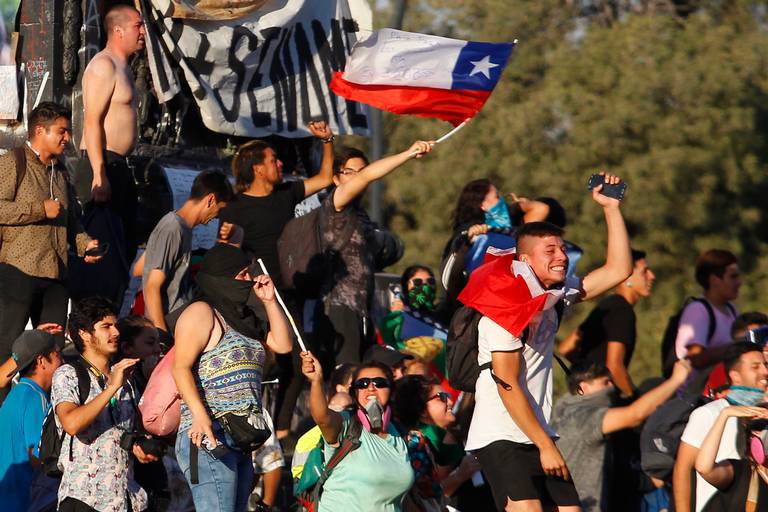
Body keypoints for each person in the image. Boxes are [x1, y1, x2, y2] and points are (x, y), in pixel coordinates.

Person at [462, 173, 632, 512]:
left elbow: (618, 271)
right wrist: (545, 445)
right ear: (525, 260)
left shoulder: (553, 296)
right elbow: (507, 384)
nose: (562, 256)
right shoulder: (503, 307)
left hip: (537, 431)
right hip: (502, 434)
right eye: (550, 250)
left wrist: (611, 208)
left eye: (563, 249)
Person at [219, 121, 334, 440]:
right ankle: (247, 426)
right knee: (262, 363)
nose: (280, 163)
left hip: (286, 296)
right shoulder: (235, 207)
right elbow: (225, 255)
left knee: (298, 366)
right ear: (257, 169)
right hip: (255, 298)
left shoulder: (286, 194)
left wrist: (327, 140)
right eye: (273, 160)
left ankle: (280, 435)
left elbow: (326, 178)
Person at [172, 243, 292, 512]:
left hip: (241, 436)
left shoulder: (244, 318)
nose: (249, 280)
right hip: (208, 433)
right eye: (242, 275)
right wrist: (200, 416)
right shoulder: (201, 312)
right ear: (222, 277)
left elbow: (283, 345)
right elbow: (180, 367)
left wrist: (270, 301)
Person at [0, 102, 100, 403]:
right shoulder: (13, 162)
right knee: (7, 349)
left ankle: (47, 415)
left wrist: (85, 245)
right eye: (62, 131)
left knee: (52, 351)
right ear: (40, 130)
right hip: (18, 270)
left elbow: (71, 221)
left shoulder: (61, 172)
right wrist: (38, 210)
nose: (67, 138)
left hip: (56, 275)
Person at [316, 141, 433, 368]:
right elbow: (368, 177)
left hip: (363, 307)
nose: (358, 177)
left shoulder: (359, 214)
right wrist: (408, 153)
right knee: (347, 374)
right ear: (336, 179)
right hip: (340, 307)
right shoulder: (335, 205)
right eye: (350, 172)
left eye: (362, 171)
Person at [51, 297, 155, 512]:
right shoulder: (68, 374)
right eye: (106, 326)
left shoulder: (127, 380)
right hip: (85, 499)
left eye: (115, 325)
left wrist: (140, 447)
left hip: (128, 499)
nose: (116, 332)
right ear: (84, 334)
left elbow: (134, 431)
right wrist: (112, 387)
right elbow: (71, 423)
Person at [550, 359, 691, 512]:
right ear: (583, 388)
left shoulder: (563, 410)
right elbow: (634, 415)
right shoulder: (581, 417)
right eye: (605, 382)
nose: (612, 387)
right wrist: (676, 380)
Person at [300, 352, 414, 511]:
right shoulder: (346, 424)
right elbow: (322, 417)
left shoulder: (399, 434)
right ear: (354, 393)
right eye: (362, 384)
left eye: (379, 383)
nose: (371, 388)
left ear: (391, 390)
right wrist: (316, 380)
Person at [79, 4, 145, 263]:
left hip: (118, 165)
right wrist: (99, 173)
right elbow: (91, 121)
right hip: (102, 163)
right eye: (137, 26)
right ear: (118, 30)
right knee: (100, 249)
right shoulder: (104, 64)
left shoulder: (123, 66)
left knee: (123, 247)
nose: (143, 32)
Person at [673, 342, 768, 512]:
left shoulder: (764, 414)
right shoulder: (710, 413)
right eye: (755, 367)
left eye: (765, 365)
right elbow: (683, 469)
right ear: (735, 376)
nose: (765, 371)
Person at [140, 169, 235, 333]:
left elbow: (141, 268)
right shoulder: (172, 228)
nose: (217, 216)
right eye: (219, 210)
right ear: (210, 200)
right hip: (169, 321)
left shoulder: (183, 228)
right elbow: (151, 286)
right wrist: (161, 335)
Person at [559, 249, 655, 397]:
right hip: (602, 398)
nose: (652, 276)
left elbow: (566, 348)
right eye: (645, 271)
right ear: (627, 276)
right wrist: (634, 398)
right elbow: (614, 366)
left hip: (585, 395)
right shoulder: (623, 310)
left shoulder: (608, 304)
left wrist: (588, 373)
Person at [393, 375, 482, 512]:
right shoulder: (415, 441)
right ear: (422, 410)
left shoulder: (440, 434)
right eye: (442, 397)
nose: (450, 401)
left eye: (448, 395)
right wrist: (460, 474)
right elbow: (430, 493)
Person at [0, 330, 62, 512]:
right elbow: (38, 456)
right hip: (25, 503)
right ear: (41, 360)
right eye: (58, 354)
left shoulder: (17, 394)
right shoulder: (35, 398)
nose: (63, 360)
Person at [674, 249, 741, 372]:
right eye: (733, 277)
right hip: (700, 385)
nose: (739, 282)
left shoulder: (732, 309)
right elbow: (695, 358)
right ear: (714, 279)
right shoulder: (698, 311)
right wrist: (736, 348)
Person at [694, 405, 768, 511]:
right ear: (750, 437)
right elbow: (704, 468)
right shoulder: (740, 471)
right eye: (759, 426)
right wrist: (724, 415)